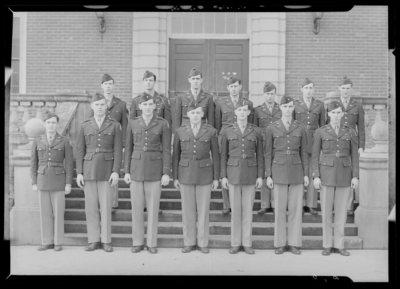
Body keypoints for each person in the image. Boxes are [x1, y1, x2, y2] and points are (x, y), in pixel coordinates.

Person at [124, 93, 171, 254]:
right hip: (136, 168)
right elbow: (128, 148)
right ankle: (137, 242)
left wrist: (166, 172)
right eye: (145, 105)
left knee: (152, 208)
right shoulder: (133, 123)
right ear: (140, 106)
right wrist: (126, 171)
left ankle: (151, 243)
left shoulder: (162, 124)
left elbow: (166, 150)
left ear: (154, 106)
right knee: (136, 208)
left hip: (154, 169)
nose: (148, 107)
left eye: (151, 104)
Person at [76, 93, 123, 253]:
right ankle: (93, 240)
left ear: (106, 106)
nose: (99, 107)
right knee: (91, 208)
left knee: (106, 207)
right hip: (89, 170)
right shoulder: (85, 125)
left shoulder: (114, 125)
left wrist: (116, 171)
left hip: (107, 170)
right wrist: (80, 172)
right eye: (97, 105)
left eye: (102, 104)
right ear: (92, 106)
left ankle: (106, 240)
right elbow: (80, 150)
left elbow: (118, 150)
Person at [311, 100, 359, 256]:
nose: (336, 115)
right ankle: (327, 244)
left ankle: (339, 245)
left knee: (341, 212)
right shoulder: (321, 131)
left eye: (339, 112)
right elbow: (315, 155)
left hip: (345, 174)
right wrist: (316, 176)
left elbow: (354, 156)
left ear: (343, 114)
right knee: (326, 211)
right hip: (327, 175)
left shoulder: (351, 131)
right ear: (329, 114)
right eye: (333, 112)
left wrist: (355, 176)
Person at [173, 101, 220, 254]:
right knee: (187, 211)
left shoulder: (210, 131)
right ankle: (189, 242)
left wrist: (215, 178)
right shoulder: (180, 131)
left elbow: (216, 155)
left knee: (203, 211)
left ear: (202, 114)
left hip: (205, 174)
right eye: (192, 113)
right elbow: (176, 156)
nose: (195, 115)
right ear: (188, 114)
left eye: (198, 113)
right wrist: (175, 177)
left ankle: (202, 242)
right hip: (185, 174)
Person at [264, 95, 309, 255]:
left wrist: (306, 174)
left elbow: (304, 152)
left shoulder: (300, 127)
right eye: (285, 107)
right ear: (280, 108)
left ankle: (294, 243)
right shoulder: (272, 127)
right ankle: (280, 243)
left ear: (293, 108)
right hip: (279, 170)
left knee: (296, 208)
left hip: (297, 169)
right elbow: (268, 153)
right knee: (280, 209)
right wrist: (268, 174)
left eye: (290, 106)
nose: (288, 109)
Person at [220, 100, 263, 255]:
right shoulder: (227, 131)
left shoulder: (256, 131)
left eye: (245, 110)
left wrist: (260, 176)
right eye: (240, 110)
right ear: (235, 112)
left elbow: (260, 156)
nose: (242, 113)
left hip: (251, 174)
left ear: (249, 112)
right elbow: (223, 155)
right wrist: (223, 176)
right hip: (233, 174)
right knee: (236, 210)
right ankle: (235, 243)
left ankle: (247, 242)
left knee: (248, 211)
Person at [130, 70, 171, 214]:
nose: (148, 83)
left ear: (155, 82)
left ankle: (154, 205)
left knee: (155, 181)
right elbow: (133, 123)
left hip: (156, 145)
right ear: (143, 82)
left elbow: (167, 122)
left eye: (151, 80)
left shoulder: (163, 100)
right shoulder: (135, 101)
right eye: (146, 80)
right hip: (141, 148)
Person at [30, 113, 73, 252]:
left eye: (53, 122)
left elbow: (69, 164)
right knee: (45, 212)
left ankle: (58, 242)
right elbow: (33, 163)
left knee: (59, 213)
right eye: (48, 122)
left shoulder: (64, 140)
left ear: (57, 124)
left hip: (59, 179)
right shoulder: (38, 140)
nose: (50, 125)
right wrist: (34, 182)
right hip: (42, 179)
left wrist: (68, 183)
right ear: (44, 124)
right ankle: (47, 241)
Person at [89, 73, 128, 213]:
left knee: (113, 172)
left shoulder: (121, 105)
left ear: (114, 86)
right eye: (106, 84)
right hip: (100, 145)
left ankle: (112, 203)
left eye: (110, 84)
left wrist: (123, 145)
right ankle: (99, 203)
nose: (108, 86)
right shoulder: (96, 103)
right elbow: (91, 124)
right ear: (102, 86)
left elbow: (125, 127)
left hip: (114, 144)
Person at [215, 76, 254, 215]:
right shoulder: (220, 103)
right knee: (225, 171)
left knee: (240, 171)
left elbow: (251, 125)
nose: (233, 89)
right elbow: (217, 124)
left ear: (240, 87)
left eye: (236, 86)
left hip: (242, 140)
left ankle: (240, 204)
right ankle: (227, 205)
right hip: (226, 139)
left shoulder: (247, 103)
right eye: (231, 86)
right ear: (227, 88)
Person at [293, 78, 326, 215]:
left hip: (314, 141)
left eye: (311, 88)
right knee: (300, 171)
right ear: (301, 89)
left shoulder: (320, 105)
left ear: (314, 90)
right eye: (306, 88)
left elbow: (323, 126)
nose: (308, 90)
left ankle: (311, 204)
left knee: (313, 171)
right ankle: (299, 203)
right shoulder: (295, 104)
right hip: (299, 141)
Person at [337, 77, 365, 216]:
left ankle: (348, 206)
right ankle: (337, 205)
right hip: (338, 142)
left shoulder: (357, 105)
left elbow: (361, 127)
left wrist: (361, 146)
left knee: (351, 173)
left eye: (348, 88)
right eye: (343, 88)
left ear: (351, 89)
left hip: (352, 143)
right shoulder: (334, 104)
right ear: (339, 89)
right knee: (338, 171)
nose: (345, 91)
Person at [253, 81, 282, 214]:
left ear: (275, 94)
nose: (270, 96)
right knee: (265, 172)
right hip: (264, 145)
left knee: (276, 172)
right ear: (263, 95)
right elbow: (255, 129)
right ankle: (265, 204)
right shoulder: (258, 110)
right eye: (267, 94)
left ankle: (276, 203)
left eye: (272, 94)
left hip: (278, 145)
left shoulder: (281, 109)